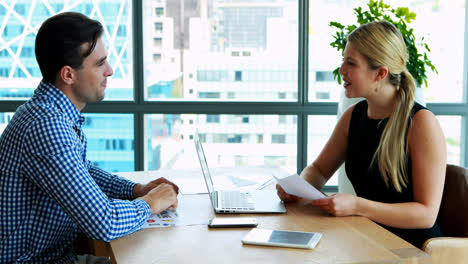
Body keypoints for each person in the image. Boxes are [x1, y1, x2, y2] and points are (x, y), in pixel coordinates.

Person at [0, 12, 179, 263]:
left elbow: (81, 170)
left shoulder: (51, 113)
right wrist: (150, 203)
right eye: (100, 64)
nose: (110, 70)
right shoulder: (46, 127)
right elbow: (104, 222)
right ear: (68, 75)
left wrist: (136, 190)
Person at [277, 21, 446, 248]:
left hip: (411, 252)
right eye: (343, 60)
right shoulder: (353, 116)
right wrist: (298, 188)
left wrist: (357, 206)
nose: (341, 70)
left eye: (351, 63)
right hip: (368, 240)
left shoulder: (422, 123)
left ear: (380, 73)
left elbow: (426, 214)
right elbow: (318, 170)